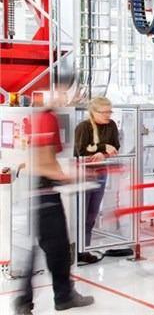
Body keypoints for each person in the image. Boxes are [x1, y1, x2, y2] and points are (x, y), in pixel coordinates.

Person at [14, 81, 94, 314]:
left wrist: (65, 175)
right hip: (44, 193)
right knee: (57, 248)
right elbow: (43, 163)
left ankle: (33, 300)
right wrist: (69, 176)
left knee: (43, 248)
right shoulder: (47, 118)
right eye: (68, 92)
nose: (70, 98)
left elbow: (45, 159)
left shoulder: (42, 116)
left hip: (39, 192)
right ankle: (59, 297)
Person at [73, 97, 120, 264]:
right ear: (93, 112)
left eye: (109, 112)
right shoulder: (83, 127)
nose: (108, 115)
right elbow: (81, 151)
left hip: (100, 173)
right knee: (81, 214)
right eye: (104, 112)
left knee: (92, 215)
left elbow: (115, 147)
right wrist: (103, 148)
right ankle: (77, 250)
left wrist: (102, 154)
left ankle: (84, 249)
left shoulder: (111, 125)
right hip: (83, 175)